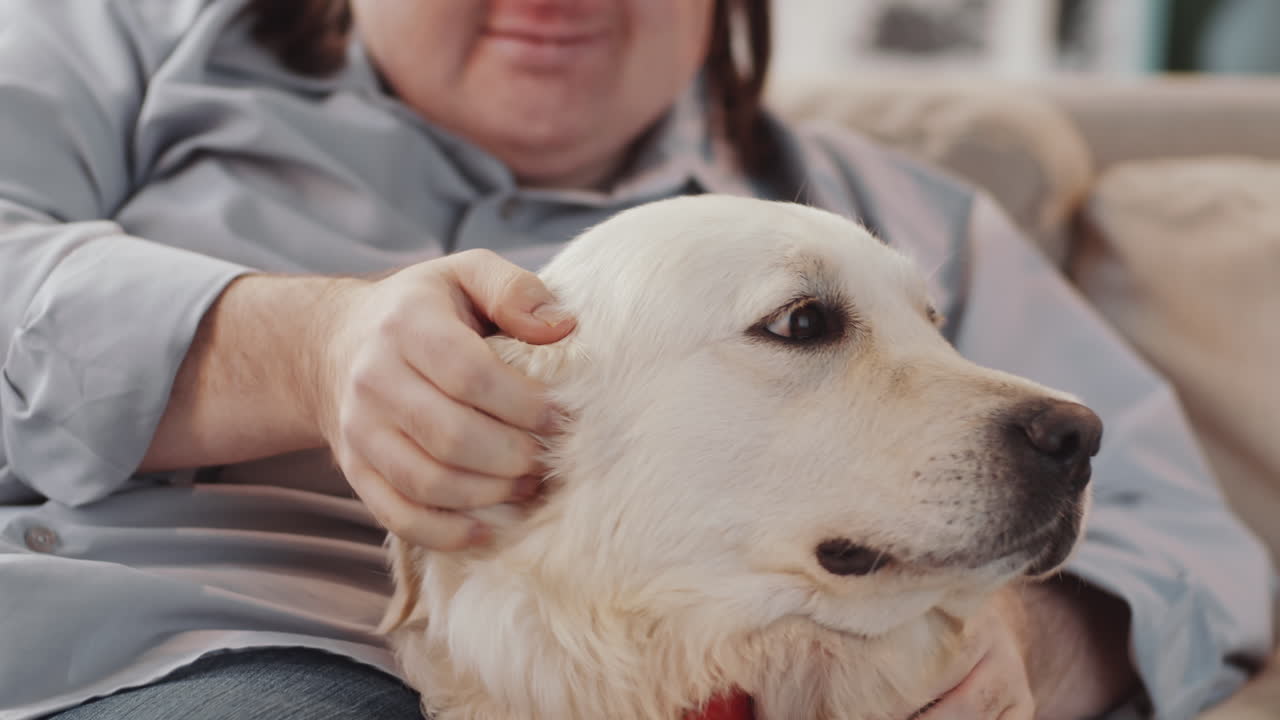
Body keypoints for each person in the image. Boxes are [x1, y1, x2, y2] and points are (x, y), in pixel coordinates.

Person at [0, 1, 1272, 719]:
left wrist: (1020, 646)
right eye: (804, 326)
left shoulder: (891, 214)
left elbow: (1185, 540)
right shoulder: (113, 55)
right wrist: (304, 345)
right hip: (158, 651)